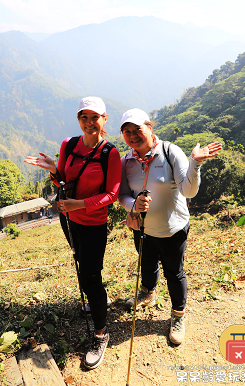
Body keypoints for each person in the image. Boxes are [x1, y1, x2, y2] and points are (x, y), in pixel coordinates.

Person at [25, 96, 121, 370]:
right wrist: (54, 169)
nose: (89, 123)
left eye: (95, 117)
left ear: (104, 119)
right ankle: (95, 303)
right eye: (84, 117)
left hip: (93, 223)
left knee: (91, 277)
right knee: (82, 266)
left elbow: (112, 194)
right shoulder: (68, 144)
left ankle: (101, 334)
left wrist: (80, 204)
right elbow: (64, 181)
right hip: (70, 220)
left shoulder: (109, 153)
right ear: (78, 119)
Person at [118, 108, 221, 346]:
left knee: (174, 273)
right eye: (127, 132)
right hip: (142, 228)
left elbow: (189, 191)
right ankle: (147, 293)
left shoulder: (169, 151)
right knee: (146, 262)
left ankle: (177, 316)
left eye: (138, 130)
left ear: (150, 127)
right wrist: (133, 203)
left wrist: (195, 162)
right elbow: (122, 194)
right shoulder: (126, 161)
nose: (133, 136)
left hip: (172, 229)